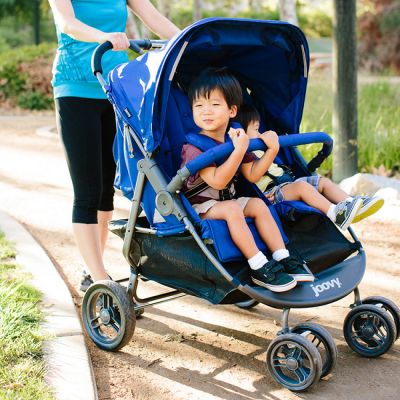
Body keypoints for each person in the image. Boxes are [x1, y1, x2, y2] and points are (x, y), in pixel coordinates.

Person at [48, 0, 180, 291]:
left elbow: (152, 16)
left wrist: (188, 40)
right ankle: (100, 279)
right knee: (87, 191)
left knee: (107, 188)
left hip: (115, 89)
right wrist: (103, 37)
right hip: (76, 88)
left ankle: (92, 272)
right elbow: (68, 24)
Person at [181, 68, 314, 293]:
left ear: (232, 110)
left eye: (214, 104)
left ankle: (282, 256)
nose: (206, 111)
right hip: (201, 206)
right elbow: (217, 182)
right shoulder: (194, 148)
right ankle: (258, 265)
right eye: (199, 106)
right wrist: (238, 150)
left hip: (226, 201)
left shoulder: (235, 137)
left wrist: (272, 149)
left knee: (257, 205)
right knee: (233, 208)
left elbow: (252, 174)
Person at [235, 104, 384, 230]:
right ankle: (336, 214)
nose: (260, 133)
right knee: (302, 187)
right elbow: (251, 176)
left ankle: (350, 202)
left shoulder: (261, 146)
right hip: (269, 194)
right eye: (255, 129)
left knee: (321, 181)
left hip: (287, 184)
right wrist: (271, 150)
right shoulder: (244, 152)